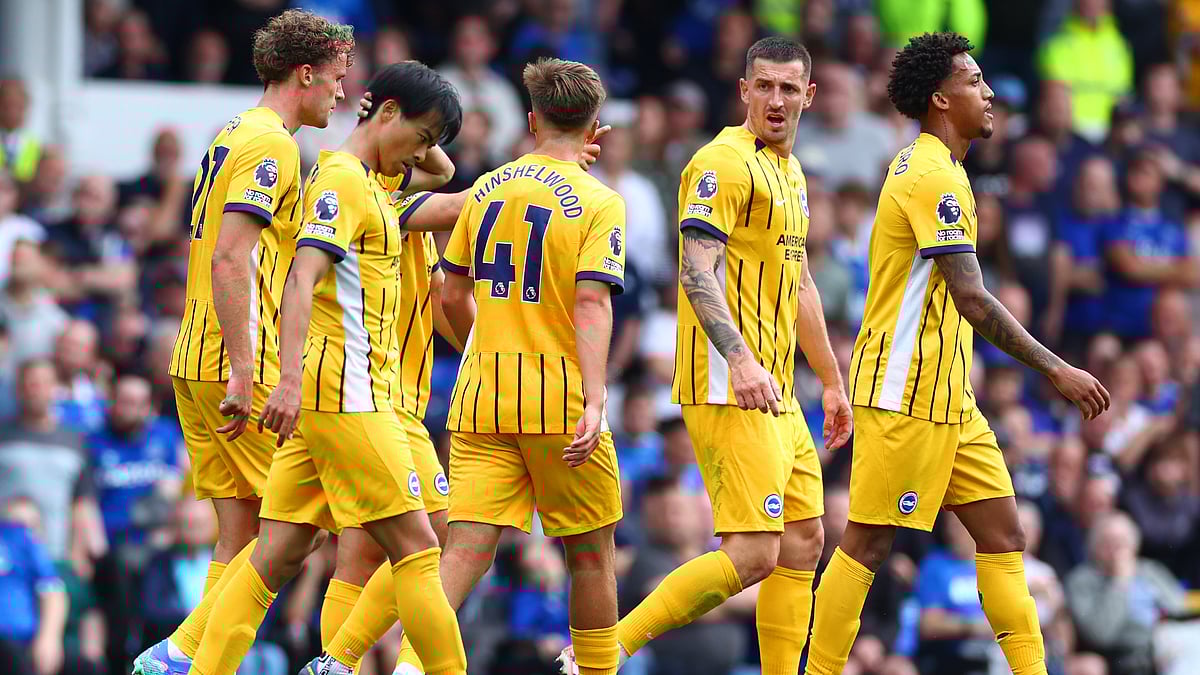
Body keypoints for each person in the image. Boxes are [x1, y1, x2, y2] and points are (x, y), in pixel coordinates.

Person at [806, 32, 1110, 675]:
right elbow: (972, 298)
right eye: (975, 82)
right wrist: (1056, 367)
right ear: (942, 100)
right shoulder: (929, 175)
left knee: (1005, 536)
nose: (989, 91)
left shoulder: (949, 171)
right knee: (865, 544)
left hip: (949, 394)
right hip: (902, 388)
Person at [567, 36, 854, 675]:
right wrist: (742, 359)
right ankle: (599, 654)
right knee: (754, 553)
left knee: (804, 542)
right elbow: (697, 271)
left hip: (778, 389)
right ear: (744, 90)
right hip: (731, 383)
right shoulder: (719, 163)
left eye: (788, 88)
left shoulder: (791, 171)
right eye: (764, 86)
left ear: (808, 95)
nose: (776, 99)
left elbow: (799, 281)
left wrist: (831, 381)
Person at [302, 96, 608, 675]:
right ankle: (340, 662)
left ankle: (337, 661)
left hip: (402, 395)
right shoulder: (361, 194)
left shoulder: (405, 201)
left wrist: (548, 159)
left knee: (372, 546)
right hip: (368, 393)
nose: (426, 150)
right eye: (422, 136)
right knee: (396, 546)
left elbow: (456, 189)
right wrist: (554, 163)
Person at [185, 61, 468, 675]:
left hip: (341, 394)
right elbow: (301, 278)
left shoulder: (372, 180)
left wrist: (419, 139)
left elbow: (440, 169)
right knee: (421, 549)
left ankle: (192, 664)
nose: (424, 154)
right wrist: (284, 380)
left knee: (275, 555)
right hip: (349, 392)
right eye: (420, 136)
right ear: (387, 112)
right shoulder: (342, 180)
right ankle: (355, 664)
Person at [131, 9, 356, 675]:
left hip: (194, 355)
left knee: (244, 531)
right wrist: (241, 368)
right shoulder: (272, 145)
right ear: (306, 73)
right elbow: (232, 259)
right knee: (299, 529)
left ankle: (196, 662)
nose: (341, 93)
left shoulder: (234, 133)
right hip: (239, 360)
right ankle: (180, 653)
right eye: (337, 79)